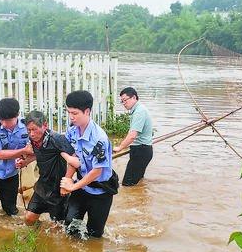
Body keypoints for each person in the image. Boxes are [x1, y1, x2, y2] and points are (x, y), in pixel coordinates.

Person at [60, 90, 118, 238]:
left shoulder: (99, 139)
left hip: (100, 191)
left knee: (94, 235)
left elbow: (97, 172)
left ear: (87, 111)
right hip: (81, 186)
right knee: (70, 226)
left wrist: (72, 186)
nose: (71, 117)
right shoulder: (72, 131)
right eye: (69, 112)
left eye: (75, 113)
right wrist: (66, 182)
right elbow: (73, 158)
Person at [15, 110, 80, 226]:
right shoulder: (33, 140)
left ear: (45, 125)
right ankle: (38, 238)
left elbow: (74, 160)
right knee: (29, 218)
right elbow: (38, 153)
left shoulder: (57, 139)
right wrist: (25, 162)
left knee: (58, 226)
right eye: (28, 130)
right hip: (42, 186)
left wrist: (66, 182)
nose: (31, 134)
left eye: (34, 129)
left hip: (57, 189)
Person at [113, 87, 153, 186]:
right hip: (141, 150)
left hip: (141, 151)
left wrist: (120, 147)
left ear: (134, 97)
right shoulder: (138, 110)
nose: (124, 103)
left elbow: (132, 136)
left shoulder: (139, 111)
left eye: (125, 100)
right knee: (138, 184)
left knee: (127, 184)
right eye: (122, 101)